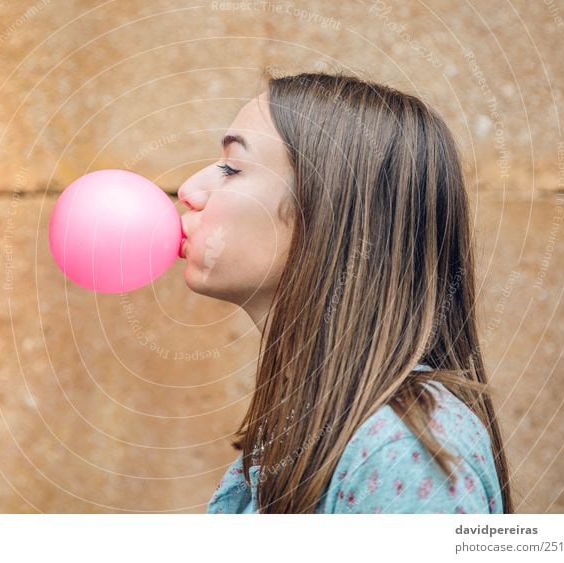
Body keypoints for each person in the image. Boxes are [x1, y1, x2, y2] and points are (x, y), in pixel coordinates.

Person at [176, 70, 513, 514]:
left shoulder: (401, 453)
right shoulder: (313, 425)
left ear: (327, 215)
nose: (188, 191)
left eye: (231, 168)